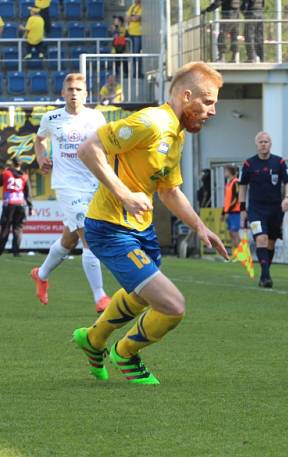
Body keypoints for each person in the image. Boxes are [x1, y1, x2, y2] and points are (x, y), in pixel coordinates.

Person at [70, 62, 227, 385]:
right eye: (208, 101)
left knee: (141, 295)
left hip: (141, 230)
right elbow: (89, 149)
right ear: (186, 96)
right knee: (172, 305)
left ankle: (93, 339)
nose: (213, 110)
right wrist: (124, 193)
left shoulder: (176, 135)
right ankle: (125, 353)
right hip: (110, 228)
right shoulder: (151, 122)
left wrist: (200, 227)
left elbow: (169, 191)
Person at [31, 73, 111, 312]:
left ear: (85, 94)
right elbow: (39, 139)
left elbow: (106, 145)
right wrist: (41, 157)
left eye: (78, 89)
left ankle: (41, 274)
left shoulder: (96, 117)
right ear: (63, 93)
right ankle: (100, 297)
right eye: (70, 89)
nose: (74, 93)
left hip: (93, 183)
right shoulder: (52, 117)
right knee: (90, 237)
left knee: (70, 238)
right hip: (67, 185)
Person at [239, 131, 288, 288]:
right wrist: (242, 207)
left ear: (271, 144)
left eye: (266, 141)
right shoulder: (249, 164)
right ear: (256, 145)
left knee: (270, 243)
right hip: (256, 209)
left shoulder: (279, 162)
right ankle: (265, 276)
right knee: (261, 238)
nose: (263, 144)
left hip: (275, 209)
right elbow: (242, 187)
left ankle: (265, 273)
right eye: (261, 142)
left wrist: (287, 198)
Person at [0, 158, 33, 257]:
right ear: (20, 164)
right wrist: (30, 207)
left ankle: (0, 251)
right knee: (17, 229)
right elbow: (28, 193)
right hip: (20, 205)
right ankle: (16, 251)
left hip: (9, 204)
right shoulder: (25, 176)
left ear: (12, 164)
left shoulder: (6, 174)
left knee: (5, 228)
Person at [221, 165, 241, 249]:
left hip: (235, 212)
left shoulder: (236, 182)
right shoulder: (228, 183)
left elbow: (235, 199)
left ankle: (242, 254)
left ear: (231, 172)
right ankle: (235, 254)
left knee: (234, 233)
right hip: (229, 212)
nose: (225, 173)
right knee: (231, 233)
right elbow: (227, 200)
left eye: (226, 171)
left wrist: (227, 211)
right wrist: (223, 212)